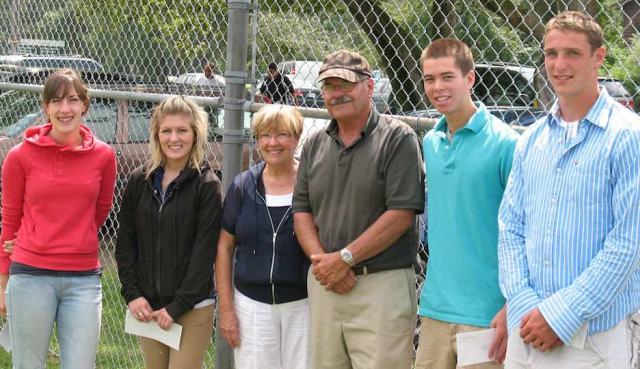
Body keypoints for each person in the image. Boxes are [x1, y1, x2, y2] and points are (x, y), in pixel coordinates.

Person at [498, 11, 640, 369]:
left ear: (599, 56)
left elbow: (628, 243)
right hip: (527, 328)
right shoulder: (531, 140)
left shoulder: (627, 137)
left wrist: (561, 314)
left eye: (572, 53)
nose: (559, 64)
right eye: (551, 53)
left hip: (591, 336)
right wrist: (523, 302)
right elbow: (510, 228)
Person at [292, 50, 425, 369]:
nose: (337, 94)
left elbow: (401, 214)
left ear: (369, 86)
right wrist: (323, 263)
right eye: (329, 86)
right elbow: (301, 212)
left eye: (346, 84)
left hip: (381, 285)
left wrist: (345, 258)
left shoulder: (397, 138)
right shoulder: (313, 143)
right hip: (326, 283)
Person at [0, 68, 117, 369]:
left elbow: (101, 210)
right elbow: (10, 220)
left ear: (84, 105)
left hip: (83, 280)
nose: (65, 109)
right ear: (46, 107)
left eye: (73, 100)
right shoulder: (19, 156)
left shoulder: (104, 156)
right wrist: (3, 282)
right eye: (56, 101)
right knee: (28, 365)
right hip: (29, 277)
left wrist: (71, 235)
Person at [415, 38, 518, 369]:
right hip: (434, 309)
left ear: (470, 78)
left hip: (486, 314)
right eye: (429, 79)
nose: (437, 87)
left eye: (447, 77)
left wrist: (510, 305)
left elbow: (527, 229)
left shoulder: (506, 144)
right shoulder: (431, 142)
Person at [115, 95, 222, 369]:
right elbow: (126, 243)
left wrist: (177, 307)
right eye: (167, 131)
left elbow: (203, 254)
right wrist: (133, 294)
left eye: (182, 130)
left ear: (195, 134)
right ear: (156, 134)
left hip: (191, 307)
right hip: (148, 306)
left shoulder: (207, 186)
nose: (174, 138)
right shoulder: (139, 180)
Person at [215, 104, 310, 369]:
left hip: (303, 305)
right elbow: (224, 248)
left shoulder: (312, 182)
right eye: (265, 135)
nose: (273, 142)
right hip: (251, 305)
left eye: (281, 134)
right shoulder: (243, 185)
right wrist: (226, 310)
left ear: (296, 137)